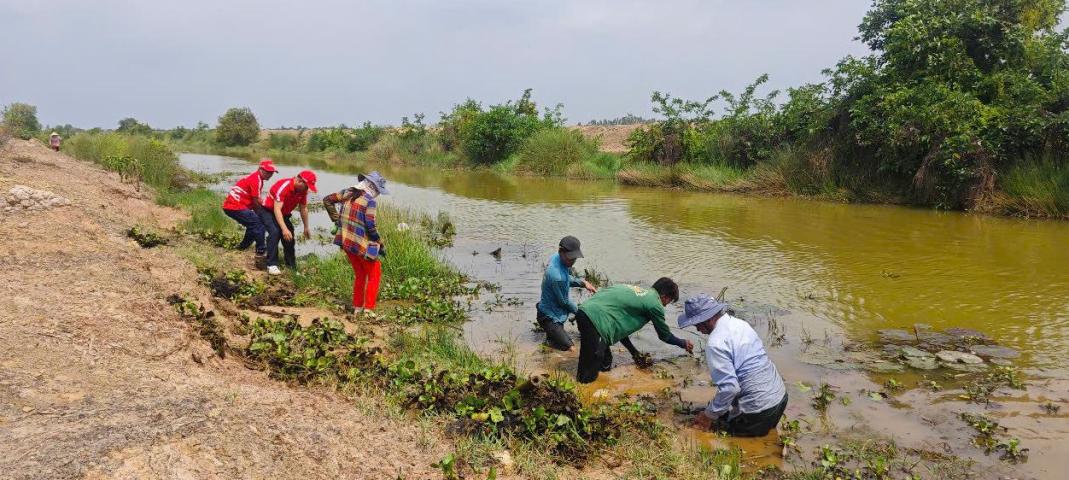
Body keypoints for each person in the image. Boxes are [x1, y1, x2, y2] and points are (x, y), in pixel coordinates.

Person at [678, 294, 787, 437]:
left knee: (728, 439)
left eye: (697, 324)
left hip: (758, 409)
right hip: (780, 397)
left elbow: (730, 388)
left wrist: (708, 416)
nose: (697, 329)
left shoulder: (715, 343)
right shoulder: (740, 324)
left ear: (708, 319)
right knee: (766, 437)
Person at [574, 278, 693, 383]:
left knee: (605, 360)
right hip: (595, 320)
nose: (665, 305)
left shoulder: (637, 292)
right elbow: (664, 335)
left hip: (585, 313)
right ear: (665, 296)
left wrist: (634, 353)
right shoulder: (655, 304)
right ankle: (584, 387)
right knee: (592, 364)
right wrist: (683, 343)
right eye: (669, 301)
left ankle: (596, 387)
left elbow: (621, 329)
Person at [323, 171, 388, 313]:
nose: (377, 194)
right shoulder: (370, 201)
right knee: (374, 273)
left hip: (346, 242)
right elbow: (370, 226)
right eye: (378, 190)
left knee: (360, 274)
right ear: (372, 186)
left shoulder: (348, 192)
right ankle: (368, 309)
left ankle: (357, 307)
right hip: (360, 245)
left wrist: (338, 221)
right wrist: (380, 243)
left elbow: (327, 200)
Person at [536, 236, 597, 351]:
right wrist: (580, 312)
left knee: (555, 341)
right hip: (549, 317)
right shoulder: (556, 276)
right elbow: (564, 302)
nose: (572, 261)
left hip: (552, 309)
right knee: (571, 349)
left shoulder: (556, 258)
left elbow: (566, 278)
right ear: (561, 252)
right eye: (570, 258)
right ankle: (551, 338)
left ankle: (551, 339)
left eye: (574, 258)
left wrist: (583, 283)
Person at [260, 170, 317, 275]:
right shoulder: (284, 186)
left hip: (284, 213)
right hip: (268, 211)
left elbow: (303, 208)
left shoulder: (302, 191)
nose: (307, 189)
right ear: (299, 181)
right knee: (275, 232)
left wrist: (306, 227)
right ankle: (271, 265)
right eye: (306, 186)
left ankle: (291, 267)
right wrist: (284, 229)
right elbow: (277, 209)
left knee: (289, 237)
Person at [222, 159, 277, 258]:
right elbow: (256, 202)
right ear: (260, 169)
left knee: (253, 224)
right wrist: (262, 215)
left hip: (233, 206)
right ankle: (261, 251)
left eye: (272, 172)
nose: (270, 174)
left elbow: (256, 200)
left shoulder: (257, 178)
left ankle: (242, 247)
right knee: (258, 224)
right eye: (268, 172)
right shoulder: (256, 180)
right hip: (235, 206)